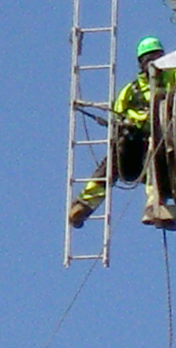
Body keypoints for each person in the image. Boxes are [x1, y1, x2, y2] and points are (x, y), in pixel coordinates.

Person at [69, 36, 168, 228]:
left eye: (156, 58)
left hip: (155, 142)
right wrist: (124, 125)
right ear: (142, 63)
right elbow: (118, 113)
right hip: (132, 143)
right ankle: (82, 207)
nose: (153, 64)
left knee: (157, 162)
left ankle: (154, 208)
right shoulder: (131, 90)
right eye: (150, 59)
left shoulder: (172, 79)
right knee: (112, 166)